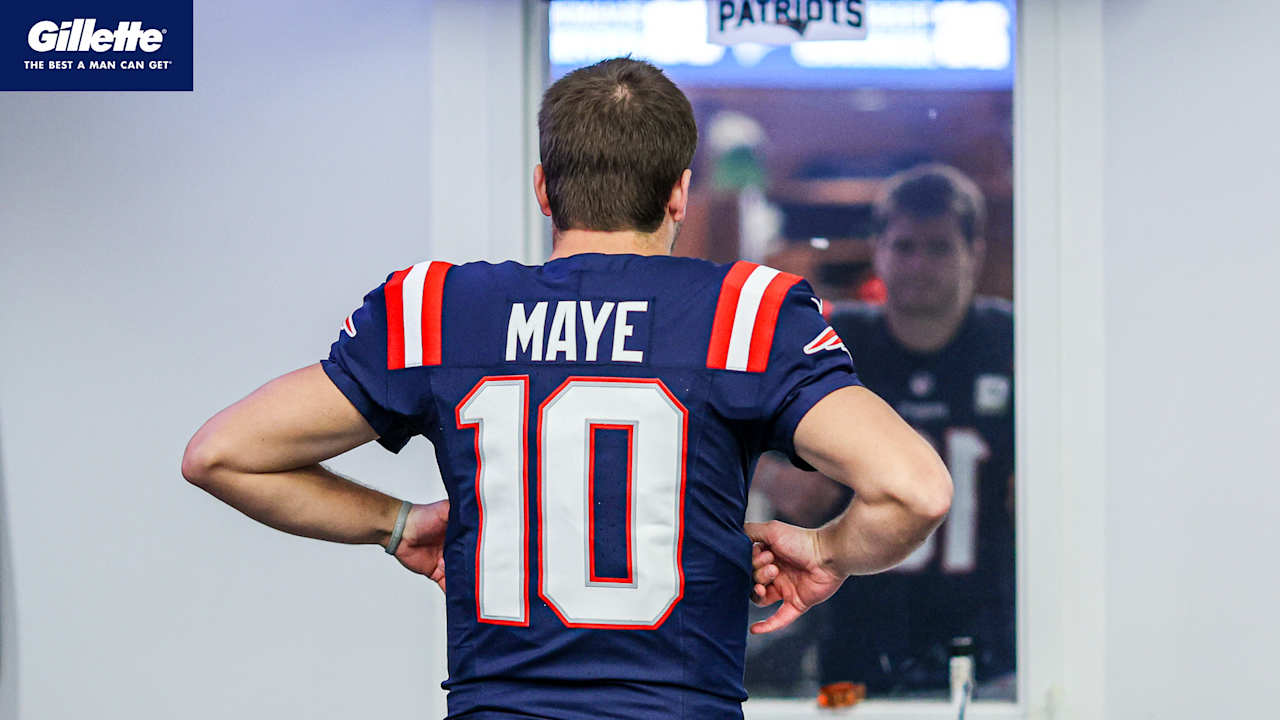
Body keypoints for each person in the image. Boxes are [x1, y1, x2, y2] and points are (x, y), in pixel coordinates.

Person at [180, 58, 952, 719]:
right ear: (678, 194)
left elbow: (221, 454)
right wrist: (823, 550)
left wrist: (396, 522)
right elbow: (915, 491)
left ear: (545, 189)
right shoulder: (741, 316)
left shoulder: (441, 312)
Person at [755, 163, 1015, 698]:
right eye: (905, 246)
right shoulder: (834, 343)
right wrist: (780, 482)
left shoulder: (1011, 342)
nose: (920, 264)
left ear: (975, 252)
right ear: (880, 250)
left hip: (985, 641)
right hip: (857, 636)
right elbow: (733, 433)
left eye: (940, 247)